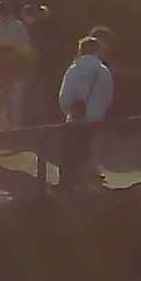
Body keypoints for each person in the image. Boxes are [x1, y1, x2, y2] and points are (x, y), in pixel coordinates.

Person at [50, 33, 113, 191]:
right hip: (96, 118)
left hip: (76, 118)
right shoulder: (103, 71)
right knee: (89, 150)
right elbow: (108, 96)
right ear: (98, 51)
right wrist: (100, 111)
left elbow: (64, 96)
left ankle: (68, 183)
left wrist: (69, 111)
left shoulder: (74, 70)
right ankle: (87, 183)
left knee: (70, 152)